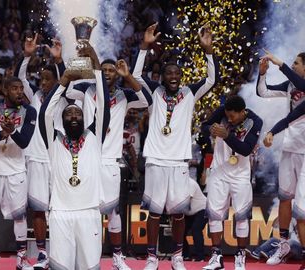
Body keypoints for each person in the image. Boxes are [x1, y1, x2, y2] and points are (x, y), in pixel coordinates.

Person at [131, 22, 217, 270]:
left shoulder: (190, 93)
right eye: (169, 73)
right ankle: (151, 257)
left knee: (179, 213)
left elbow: (212, 80)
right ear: (162, 76)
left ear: (181, 77)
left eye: (176, 74)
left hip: (179, 161)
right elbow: (136, 76)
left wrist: (208, 51)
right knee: (155, 213)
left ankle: (177, 256)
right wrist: (144, 47)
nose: (173, 77)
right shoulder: (153, 94)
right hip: (156, 159)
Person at [66, 55, 151, 269]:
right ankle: (86, 255)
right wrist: (84, 65)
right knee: (85, 210)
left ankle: (117, 257)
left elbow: (146, 101)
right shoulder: (87, 89)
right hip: (87, 157)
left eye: (111, 70)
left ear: (117, 74)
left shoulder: (125, 95)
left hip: (111, 161)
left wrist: (128, 75)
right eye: (103, 69)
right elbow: (68, 91)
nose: (106, 73)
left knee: (114, 212)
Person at [39, 45, 110, 269]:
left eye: (77, 113)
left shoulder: (94, 136)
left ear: (84, 117)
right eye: (68, 113)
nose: (73, 116)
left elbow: (104, 104)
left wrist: (96, 63)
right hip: (60, 213)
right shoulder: (54, 140)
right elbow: (46, 112)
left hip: (89, 212)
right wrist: (64, 80)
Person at [15, 34, 65, 269]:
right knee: (38, 209)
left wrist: (59, 60)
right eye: (42, 79)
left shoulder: (65, 98)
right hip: (35, 159)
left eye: (48, 79)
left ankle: (59, 250)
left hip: (58, 160)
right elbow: (19, 78)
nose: (43, 83)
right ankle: (43, 253)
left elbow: (70, 81)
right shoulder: (34, 97)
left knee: (58, 208)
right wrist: (27, 55)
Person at [0, 76, 37, 270]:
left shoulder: (29, 111)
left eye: (21, 88)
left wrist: (12, 132)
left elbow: (25, 142)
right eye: (14, 88)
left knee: (20, 217)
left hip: (16, 169)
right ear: (5, 90)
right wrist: (1, 134)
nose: (19, 92)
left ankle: (21, 258)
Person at [201, 96, 263, 270]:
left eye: (233, 117)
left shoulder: (255, 121)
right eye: (227, 116)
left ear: (243, 112)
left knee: (242, 217)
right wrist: (210, 130)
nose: (229, 119)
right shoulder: (222, 111)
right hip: (219, 171)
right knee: (214, 215)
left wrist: (226, 135)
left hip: (240, 175)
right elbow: (204, 126)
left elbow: (245, 150)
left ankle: (240, 257)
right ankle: (216, 257)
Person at [257, 50, 305, 265]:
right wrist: (262, 74)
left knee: (302, 210)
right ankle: (284, 244)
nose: (293, 65)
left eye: (297, 63)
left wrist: (280, 63)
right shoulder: (290, 85)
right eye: (292, 63)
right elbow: (263, 92)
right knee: (285, 197)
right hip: (290, 147)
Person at [182, 178, 207, 262]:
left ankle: (200, 257)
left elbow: (186, 201)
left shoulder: (190, 183)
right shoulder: (175, 184)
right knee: (180, 231)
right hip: (189, 212)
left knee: (196, 229)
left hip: (202, 209)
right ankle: (185, 255)